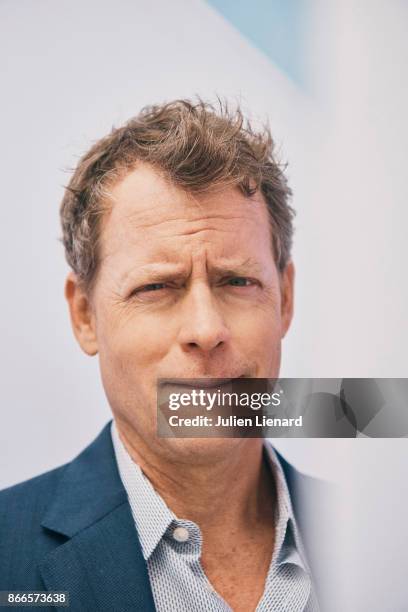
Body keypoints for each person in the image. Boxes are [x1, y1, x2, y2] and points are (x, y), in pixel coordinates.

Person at [0, 100, 334, 611]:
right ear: (85, 315)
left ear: (285, 299)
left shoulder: (380, 539)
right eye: (156, 287)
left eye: (238, 281)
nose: (206, 330)